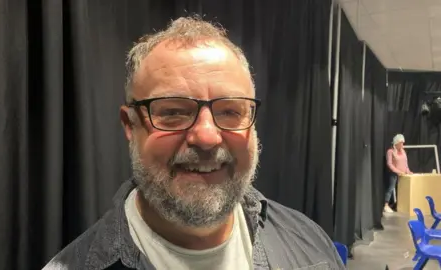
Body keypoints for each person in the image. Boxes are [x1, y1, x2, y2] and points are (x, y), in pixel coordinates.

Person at [43, 16, 344, 270]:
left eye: (230, 111)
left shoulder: (309, 240)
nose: (206, 137)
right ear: (130, 125)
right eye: (173, 112)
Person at [384, 134, 412, 213]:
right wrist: (397, 171)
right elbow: (389, 164)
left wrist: (408, 171)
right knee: (391, 188)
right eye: (401, 143)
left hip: (403, 174)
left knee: (401, 190)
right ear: (396, 143)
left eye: (403, 143)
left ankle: (397, 205)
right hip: (394, 173)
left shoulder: (403, 151)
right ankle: (386, 205)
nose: (402, 144)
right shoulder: (390, 151)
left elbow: (405, 163)